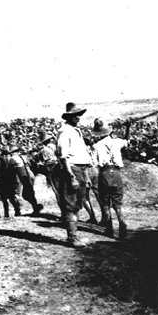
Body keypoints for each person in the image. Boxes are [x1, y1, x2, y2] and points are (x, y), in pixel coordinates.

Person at [56, 102, 93, 247]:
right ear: (69, 116)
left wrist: (87, 176)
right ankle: (72, 238)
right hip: (72, 170)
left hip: (82, 169)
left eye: (79, 115)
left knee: (77, 203)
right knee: (70, 204)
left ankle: (74, 236)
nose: (78, 117)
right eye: (74, 115)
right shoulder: (64, 131)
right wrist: (71, 176)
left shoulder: (76, 130)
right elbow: (63, 156)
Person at [92, 119, 131, 240]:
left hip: (104, 174)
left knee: (105, 203)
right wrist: (128, 128)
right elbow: (127, 142)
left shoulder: (96, 146)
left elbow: (93, 163)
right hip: (116, 173)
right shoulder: (117, 142)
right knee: (117, 204)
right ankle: (122, 224)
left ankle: (109, 229)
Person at [5, 144, 44, 216]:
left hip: (21, 177)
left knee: (22, 194)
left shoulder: (12, 159)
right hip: (29, 175)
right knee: (29, 193)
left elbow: (8, 169)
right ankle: (35, 207)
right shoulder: (23, 157)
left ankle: (32, 208)